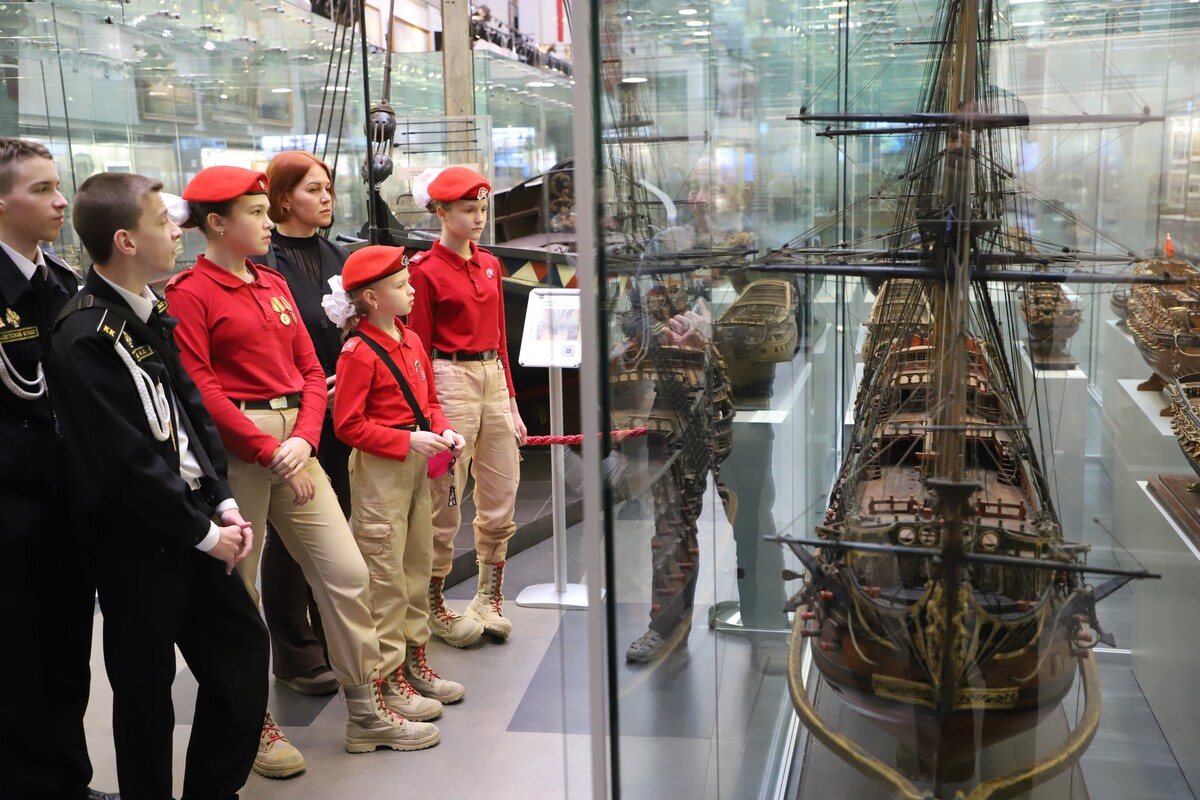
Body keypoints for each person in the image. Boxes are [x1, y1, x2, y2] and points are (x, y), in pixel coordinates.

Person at [165, 165, 439, 774]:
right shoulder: (190, 291)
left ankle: (366, 709)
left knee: (346, 572)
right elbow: (199, 387)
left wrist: (305, 438)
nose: (269, 223)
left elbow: (312, 371)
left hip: (298, 440)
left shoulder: (271, 283)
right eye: (256, 213)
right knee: (241, 594)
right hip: (241, 447)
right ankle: (253, 723)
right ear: (217, 224)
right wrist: (266, 448)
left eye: (267, 211)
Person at [48, 171, 269, 799]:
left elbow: (190, 410)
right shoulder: (83, 334)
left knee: (241, 657)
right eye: (162, 222)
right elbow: (121, 461)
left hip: (195, 518)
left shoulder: (149, 307)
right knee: (144, 691)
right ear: (125, 240)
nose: (177, 231)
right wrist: (205, 533)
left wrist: (222, 499)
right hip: (136, 537)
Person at [0, 137, 118, 800]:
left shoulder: (62, 283)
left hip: (71, 503)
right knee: (17, 665)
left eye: (57, 186)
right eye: (41, 189)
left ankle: (69, 781)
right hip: (14, 510)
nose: (59, 201)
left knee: (69, 656)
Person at [329, 245, 468, 719]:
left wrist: (444, 428)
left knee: (415, 566)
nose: (411, 291)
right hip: (381, 471)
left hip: (416, 463)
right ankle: (387, 680)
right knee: (384, 576)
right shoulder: (358, 352)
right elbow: (348, 425)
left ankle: (414, 663)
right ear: (371, 298)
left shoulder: (409, 339)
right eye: (401, 285)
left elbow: (428, 402)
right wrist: (406, 440)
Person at [406, 165, 527, 646]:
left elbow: (500, 339)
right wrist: (428, 411)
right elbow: (416, 347)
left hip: (491, 379)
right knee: (444, 499)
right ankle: (434, 605)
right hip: (447, 379)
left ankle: (488, 597)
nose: (478, 218)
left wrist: (511, 403)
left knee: (502, 493)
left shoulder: (491, 264)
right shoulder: (423, 271)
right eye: (468, 210)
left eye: (482, 209)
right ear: (440, 212)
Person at [247, 149, 352, 699]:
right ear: (283, 199)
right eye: (313, 189)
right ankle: (294, 651)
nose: (326, 196)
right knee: (288, 536)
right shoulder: (264, 260)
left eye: (328, 186)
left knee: (338, 525)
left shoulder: (340, 255)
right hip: (290, 410)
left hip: (345, 407)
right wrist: (312, 391)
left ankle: (333, 639)